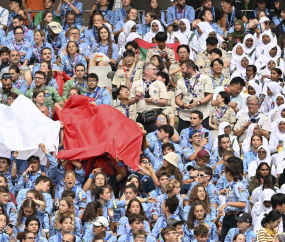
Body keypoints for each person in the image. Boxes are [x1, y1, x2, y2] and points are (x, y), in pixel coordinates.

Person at [129, 62, 168, 133]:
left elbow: (165, 102)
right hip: (141, 118)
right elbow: (129, 102)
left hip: (155, 117)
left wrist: (154, 101)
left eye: (156, 69)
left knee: (156, 139)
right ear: (146, 71)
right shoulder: (136, 83)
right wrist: (136, 98)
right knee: (142, 140)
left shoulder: (160, 84)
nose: (156, 71)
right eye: (153, 69)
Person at [175, 60, 214, 132]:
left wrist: (198, 102)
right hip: (185, 117)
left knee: (203, 140)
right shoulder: (180, 81)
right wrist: (184, 105)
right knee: (184, 140)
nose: (181, 71)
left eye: (183, 69)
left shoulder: (205, 78)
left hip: (202, 116)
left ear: (190, 69)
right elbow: (177, 99)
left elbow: (210, 96)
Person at [218, 163, 248, 241]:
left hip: (235, 218)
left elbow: (243, 203)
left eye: (225, 173)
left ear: (228, 173)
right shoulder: (231, 186)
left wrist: (227, 204)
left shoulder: (239, 185)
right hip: (227, 216)